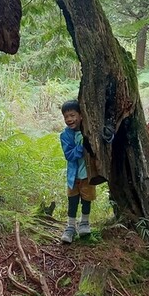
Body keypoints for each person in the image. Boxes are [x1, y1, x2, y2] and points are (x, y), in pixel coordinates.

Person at [59, 99, 96, 245]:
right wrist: (81, 146)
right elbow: (69, 155)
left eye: (72, 115)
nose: (69, 119)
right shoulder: (65, 135)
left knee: (87, 199)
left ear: (81, 115)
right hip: (73, 176)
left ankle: (84, 223)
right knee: (73, 200)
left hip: (88, 174)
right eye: (66, 117)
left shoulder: (89, 130)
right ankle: (70, 227)